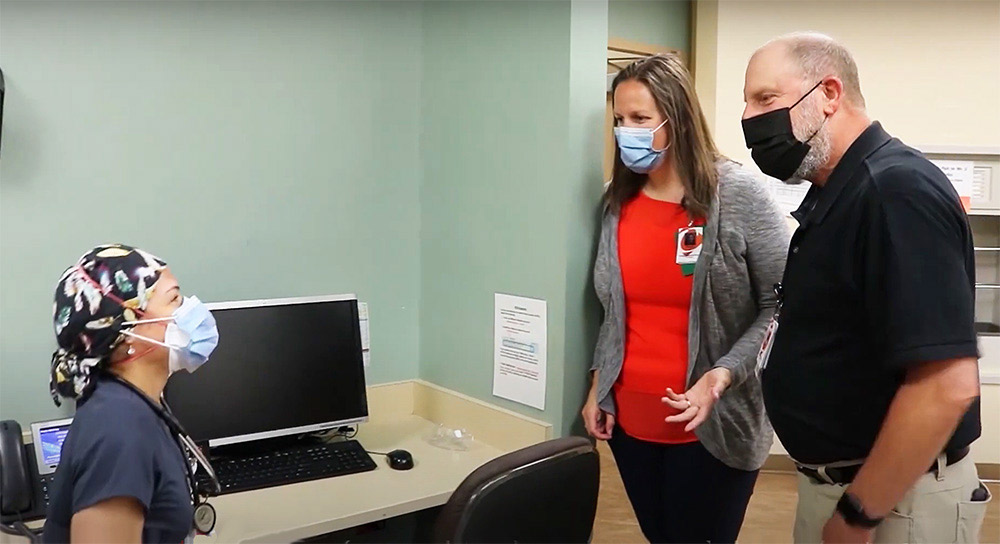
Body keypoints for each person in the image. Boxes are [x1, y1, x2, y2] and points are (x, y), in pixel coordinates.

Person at [742, 32, 989, 543]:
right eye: (747, 102)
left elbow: (946, 385)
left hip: (895, 503)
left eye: (765, 99)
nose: (748, 119)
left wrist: (857, 517)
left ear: (829, 94)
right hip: (846, 487)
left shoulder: (894, 191)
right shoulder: (838, 193)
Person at [582, 53, 789, 543]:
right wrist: (599, 387)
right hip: (630, 422)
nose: (625, 131)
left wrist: (721, 375)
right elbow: (613, 312)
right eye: (618, 120)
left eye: (640, 119)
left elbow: (782, 304)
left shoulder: (737, 194)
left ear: (677, 120)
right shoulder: (615, 202)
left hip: (714, 426)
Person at [43, 244, 220, 543]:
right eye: (175, 299)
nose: (191, 309)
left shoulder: (141, 402)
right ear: (126, 333)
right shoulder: (118, 428)